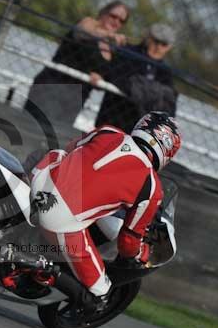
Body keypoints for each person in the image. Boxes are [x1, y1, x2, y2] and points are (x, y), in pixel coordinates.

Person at [29, 112, 181, 304]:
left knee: (59, 154)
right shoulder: (151, 187)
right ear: (168, 151)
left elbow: (71, 149)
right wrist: (140, 253)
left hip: (39, 182)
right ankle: (42, 270)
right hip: (59, 221)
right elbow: (127, 242)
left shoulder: (108, 131)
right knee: (99, 294)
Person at [24, 0, 130, 124]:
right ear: (103, 13)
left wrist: (99, 78)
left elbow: (109, 75)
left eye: (121, 20)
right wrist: (110, 35)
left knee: (53, 136)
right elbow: (82, 31)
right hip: (53, 85)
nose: (116, 22)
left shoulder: (111, 47)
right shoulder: (90, 23)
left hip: (76, 97)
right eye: (113, 16)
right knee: (32, 124)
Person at [93, 23, 178, 133]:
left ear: (169, 47)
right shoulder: (128, 52)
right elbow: (114, 76)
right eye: (156, 41)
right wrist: (149, 90)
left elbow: (169, 100)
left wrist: (138, 86)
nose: (158, 47)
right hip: (113, 117)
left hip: (138, 128)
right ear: (148, 38)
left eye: (164, 44)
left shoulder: (165, 71)